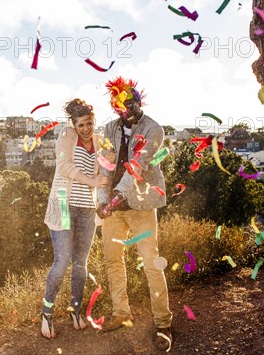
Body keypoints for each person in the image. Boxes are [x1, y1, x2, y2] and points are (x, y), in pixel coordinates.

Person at [96, 76, 173, 352]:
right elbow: (105, 165)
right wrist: (103, 198)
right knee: (113, 260)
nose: (126, 108)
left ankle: (163, 323)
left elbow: (138, 165)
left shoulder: (154, 129)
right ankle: (121, 312)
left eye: (130, 102)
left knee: (151, 263)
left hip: (141, 204)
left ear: (139, 101)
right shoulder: (108, 129)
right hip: (114, 208)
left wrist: (118, 195)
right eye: (120, 104)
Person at [41, 99, 109, 339]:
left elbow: (103, 173)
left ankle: (76, 311)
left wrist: (102, 198)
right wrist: (92, 181)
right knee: (61, 262)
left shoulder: (100, 141)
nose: (85, 129)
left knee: (80, 264)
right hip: (63, 204)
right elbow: (65, 167)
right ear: (74, 124)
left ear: (94, 121)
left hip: (87, 209)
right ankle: (46, 314)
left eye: (88, 123)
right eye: (80, 125)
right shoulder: (66, 135)